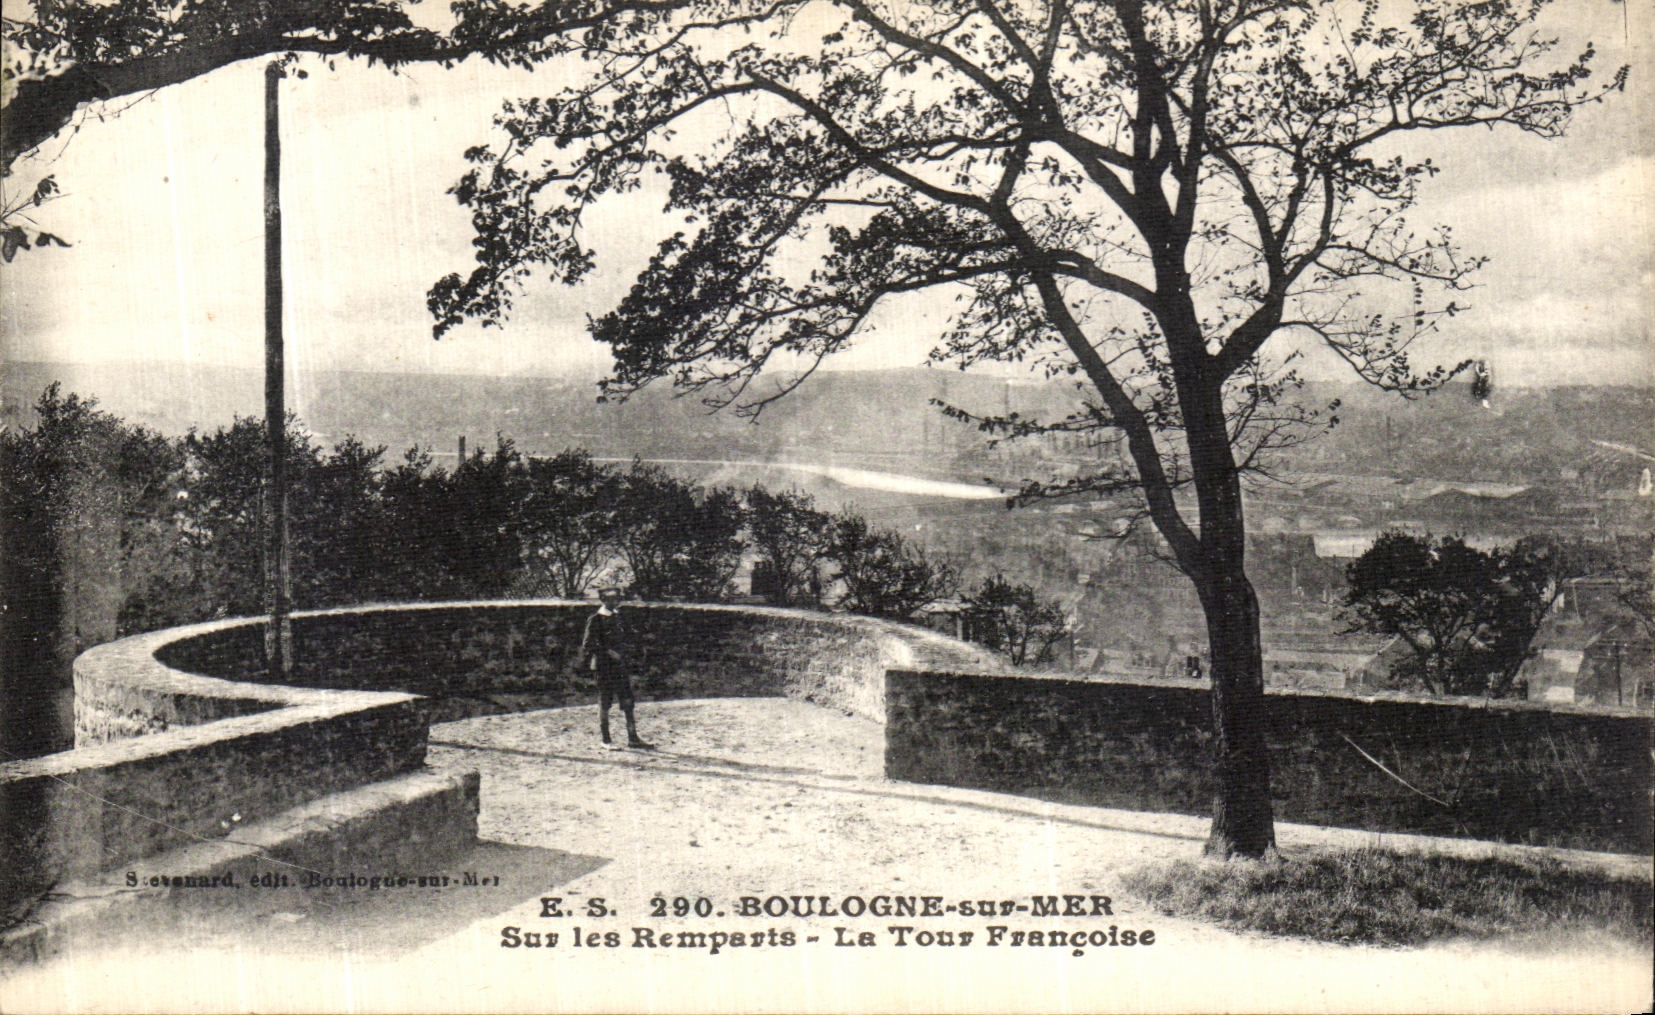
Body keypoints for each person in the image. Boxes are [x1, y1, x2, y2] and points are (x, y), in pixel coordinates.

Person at [580, 587, 651, 749]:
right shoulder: (596, 619)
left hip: (620, 667)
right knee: (605, 701)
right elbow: (588, 644)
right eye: (610, 599)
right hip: (603, 666)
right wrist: (609, 652)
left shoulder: (619, 617)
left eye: (616, 598)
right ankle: (606, 740)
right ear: (603, 600)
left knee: (627, 700)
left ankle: (633, 737)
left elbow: (626, 638)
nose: (614, 602)